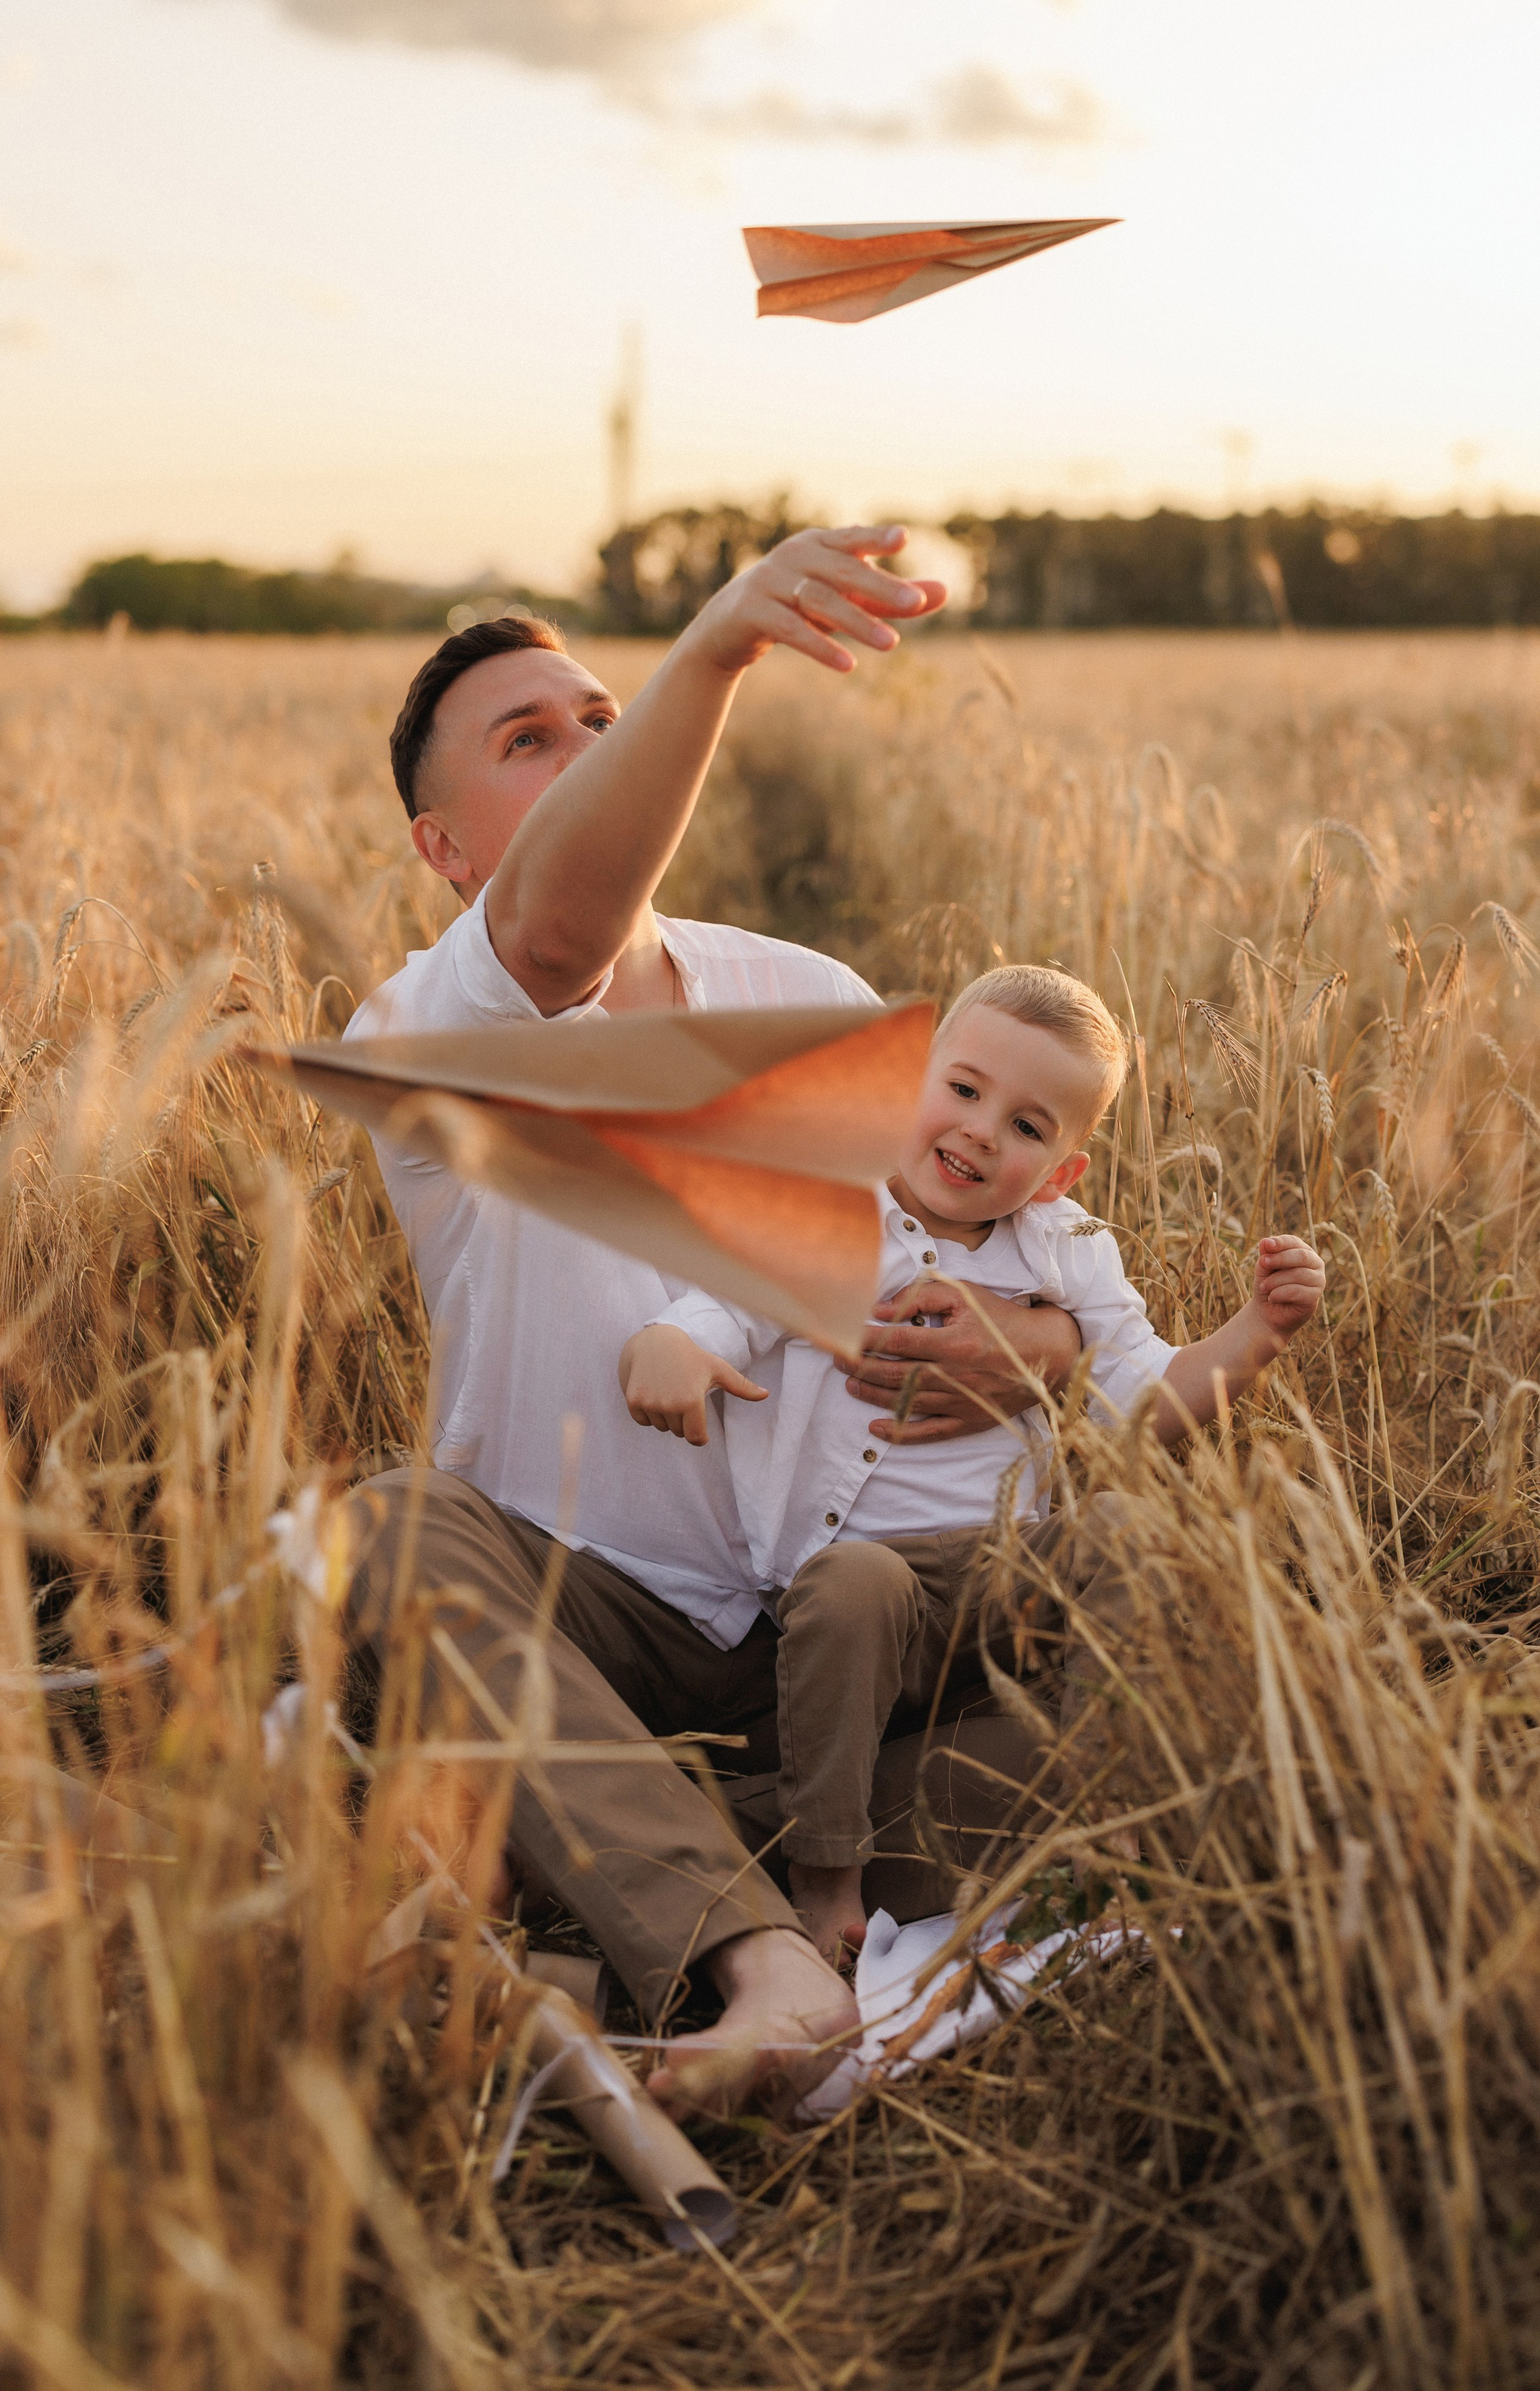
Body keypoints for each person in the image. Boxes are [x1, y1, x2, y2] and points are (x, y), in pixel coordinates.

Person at [339, 528, 1083, 2116]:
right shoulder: (424, 1026)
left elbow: (977, 1232)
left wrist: (1045, 1348)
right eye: (527, 739)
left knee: (1154, 1617)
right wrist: (715, 651)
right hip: (587, 1622)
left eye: (604, 719)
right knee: (387, 1537)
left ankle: (621, 1839)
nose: (589, 746)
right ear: (443, 846)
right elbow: (554, 934)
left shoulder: (797, 986)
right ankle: (763, 1957)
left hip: (844, 1624)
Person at [618, 964, 1328, 1963]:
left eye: (1030, 1127)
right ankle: (828, 1879)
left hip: (1005, 1573)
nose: (984, 1131)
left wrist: (1258, 1331)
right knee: (853, 1586)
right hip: (868, 1599)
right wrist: (674, 1345)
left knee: (1128, 1529)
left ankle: (1108, 1826)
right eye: (963, 1090)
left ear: (1064, 1172)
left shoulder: (1068, 1250)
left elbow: (1147, 1400)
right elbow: (728, 1304)